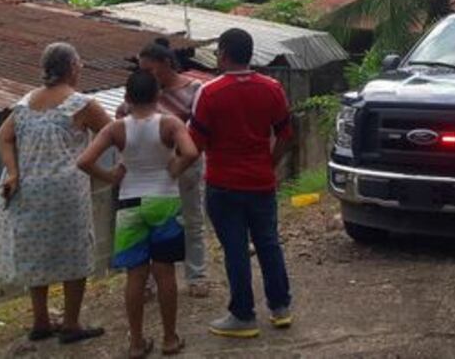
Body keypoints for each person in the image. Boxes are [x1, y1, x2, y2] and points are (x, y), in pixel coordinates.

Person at [0, 42, 112, 345]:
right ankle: (71, 323)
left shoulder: (25, 102)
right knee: (74, 251)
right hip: (66, 190)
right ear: (72, 68)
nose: (81, 69)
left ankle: (41, 321)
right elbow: (113, 133)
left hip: (29, 190)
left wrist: (13, 171)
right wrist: (103, 169)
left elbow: (3, 137)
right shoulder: (81, 103)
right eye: (79, 65)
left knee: (37, 253)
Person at [78, 70, 199, 358]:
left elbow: (84, 161)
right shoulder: (169, 123)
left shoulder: (116, 129)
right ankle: (170, 339)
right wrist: (175, 169)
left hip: (130, 202)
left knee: (135, 275)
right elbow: (192, 152)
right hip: (165, 201)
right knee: (165, 272)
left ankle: (136, 343)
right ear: (158, 95)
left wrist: (111, 176)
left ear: (127, 98)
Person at [190, 28, 294, 338]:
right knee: (268, 243)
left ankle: (243, 314)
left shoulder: (209, 93)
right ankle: (280, 308)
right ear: (250, 54)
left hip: (223, 184)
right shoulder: (273, 88)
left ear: (222, 54)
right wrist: (269, 163)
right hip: (261, 181)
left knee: (235, 248)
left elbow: (195, 142)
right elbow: (287, 135)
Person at [116, 39, 210, 298]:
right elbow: (122, 122)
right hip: (152, 172)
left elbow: (200, 131)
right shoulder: (138, 96)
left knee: (192, 220)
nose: (145, 75)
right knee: (148, 225)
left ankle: (196, 275)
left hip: (185, 165)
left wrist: (178, 164)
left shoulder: (194, 89)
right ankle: (145, 282)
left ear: (167, 64)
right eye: (142, 70)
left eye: (150, 69)